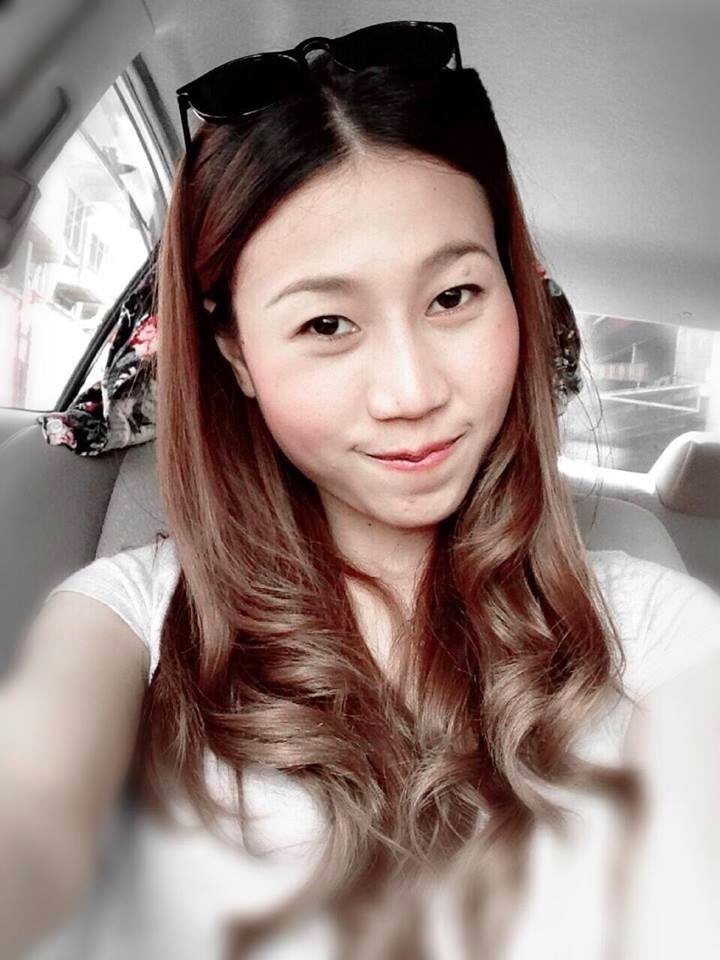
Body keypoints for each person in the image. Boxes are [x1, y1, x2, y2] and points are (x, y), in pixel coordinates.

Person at [2, 19, 720, 960]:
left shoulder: (652, 622)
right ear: (236, 353)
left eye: (453, 297)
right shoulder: (129, 619)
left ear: (514, 292)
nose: (412, 393)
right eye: (327, 324)